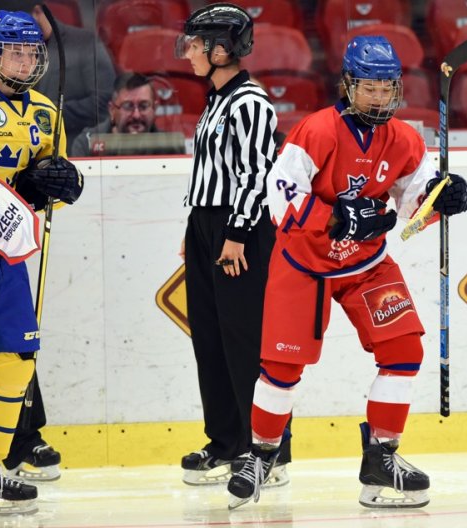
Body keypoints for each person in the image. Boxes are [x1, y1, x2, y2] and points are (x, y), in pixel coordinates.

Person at [227, 35, 467, 510]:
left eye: (386, 88)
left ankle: (382, 457)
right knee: (281, 369)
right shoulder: (317, 131)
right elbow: (279, 196)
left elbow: (412, 204)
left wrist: (443, 199)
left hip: (366, 265)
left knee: (404, 348)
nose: (379, 97)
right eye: (369, 87)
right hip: (305, 263)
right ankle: (261, 457)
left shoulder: (404, 138)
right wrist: (337, 218)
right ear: (348, 85)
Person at [174, 3, 291, 487]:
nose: (188, 54)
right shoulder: (216, 99)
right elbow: (213, 172)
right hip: (207, 224)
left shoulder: (250, 102)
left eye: (196, 45)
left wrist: (236, 233)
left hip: (237, 229)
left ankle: (266, 452)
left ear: (222, 48)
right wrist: (194, 230)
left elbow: (255, 173)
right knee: (210, 338)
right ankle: (225, 443)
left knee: (245, 341)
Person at [0, 10, 83, 514]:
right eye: (15, 51)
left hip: (10, 255)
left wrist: (60, 186)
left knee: (15, 360)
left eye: (32, 52)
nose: (26, 60)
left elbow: (49, 183)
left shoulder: (44, 111)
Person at [0, 0, 116, 146]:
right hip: (19, 147)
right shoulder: (5, 53)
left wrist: (47, 113)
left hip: (72, 148)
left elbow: (103, 103)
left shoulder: (84, 43)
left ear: (37, 12)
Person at [71, 72, 160, 157]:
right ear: (112, 110)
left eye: (143, 106)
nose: (136, 115)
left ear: (154, 108)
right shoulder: (87, 144)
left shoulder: (170, 147)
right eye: (128, 106)